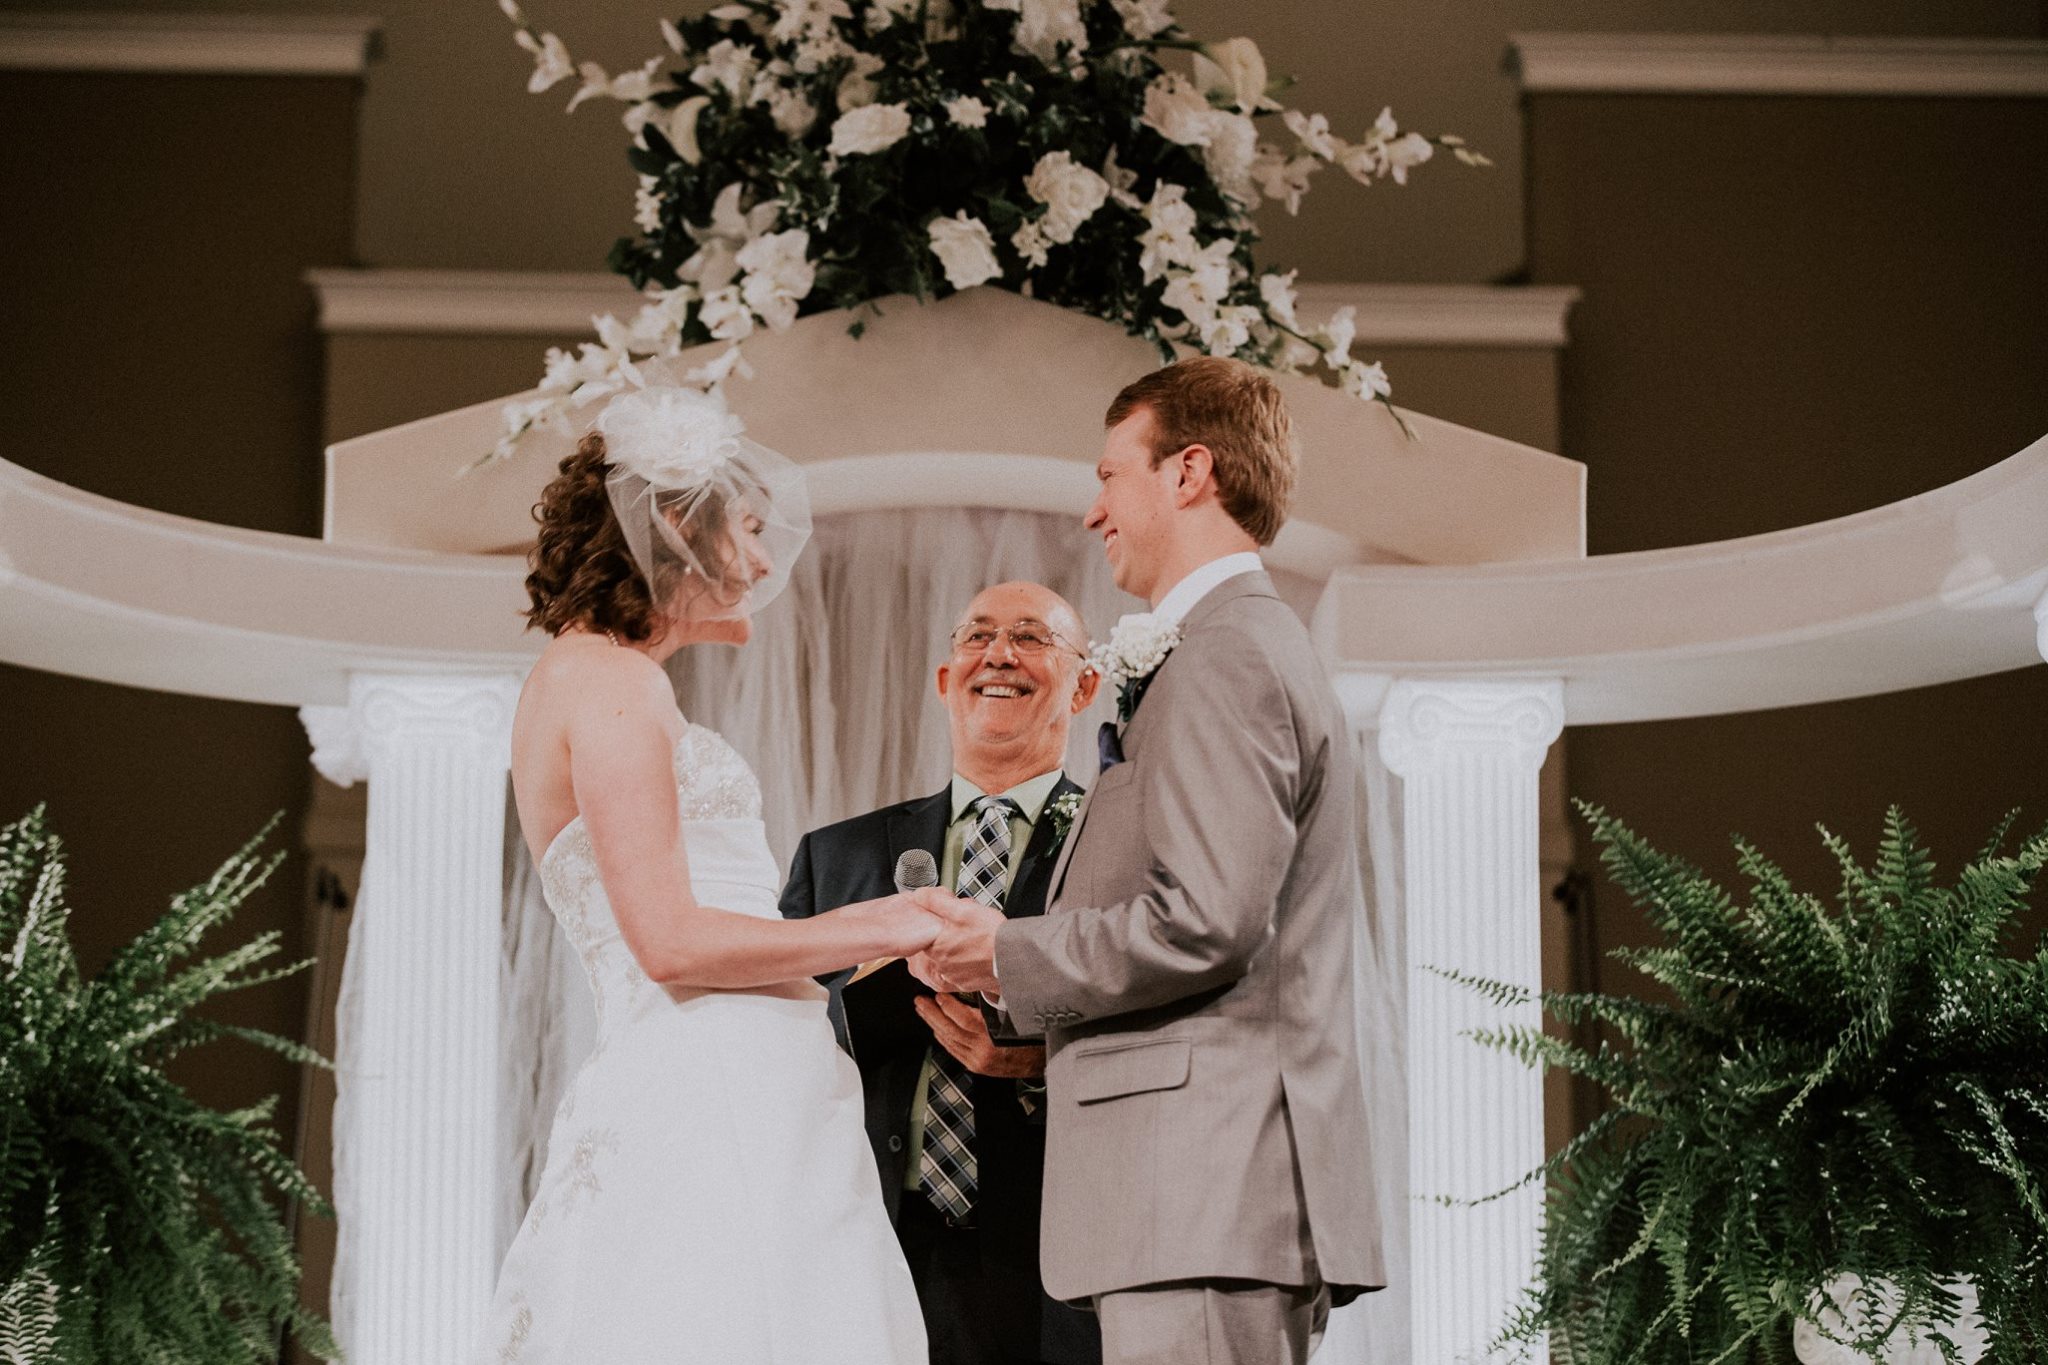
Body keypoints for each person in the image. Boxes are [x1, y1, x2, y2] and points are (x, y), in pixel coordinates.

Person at [914, 357, 1386, 1365]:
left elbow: (1206, 919)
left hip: (1205, 1192)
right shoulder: (1223, 646)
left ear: (1189, 473)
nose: (1093, 513)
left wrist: (1007, 951)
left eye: (1107, 476)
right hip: (1187, 1199)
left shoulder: (1226, 653)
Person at [476, 385, 933, 1364]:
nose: (766, 562)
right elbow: (671, 942)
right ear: (679, 529)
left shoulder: (598, 676)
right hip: (712, 1070)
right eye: (752, 531)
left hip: (739, 1068)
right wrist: (892, 924)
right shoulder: (607, 680)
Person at [780, 582, 1104, 1365]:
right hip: (872, 1246)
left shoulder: (1120, 849)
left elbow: (1165, 1024)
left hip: (1054, 1261)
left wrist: (1039, 1065)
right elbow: (779, 1046)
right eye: (977, 636)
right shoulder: (837, 857)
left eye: (1031, 636)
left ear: (1085, 684)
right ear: (943, 678)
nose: (999, 653)